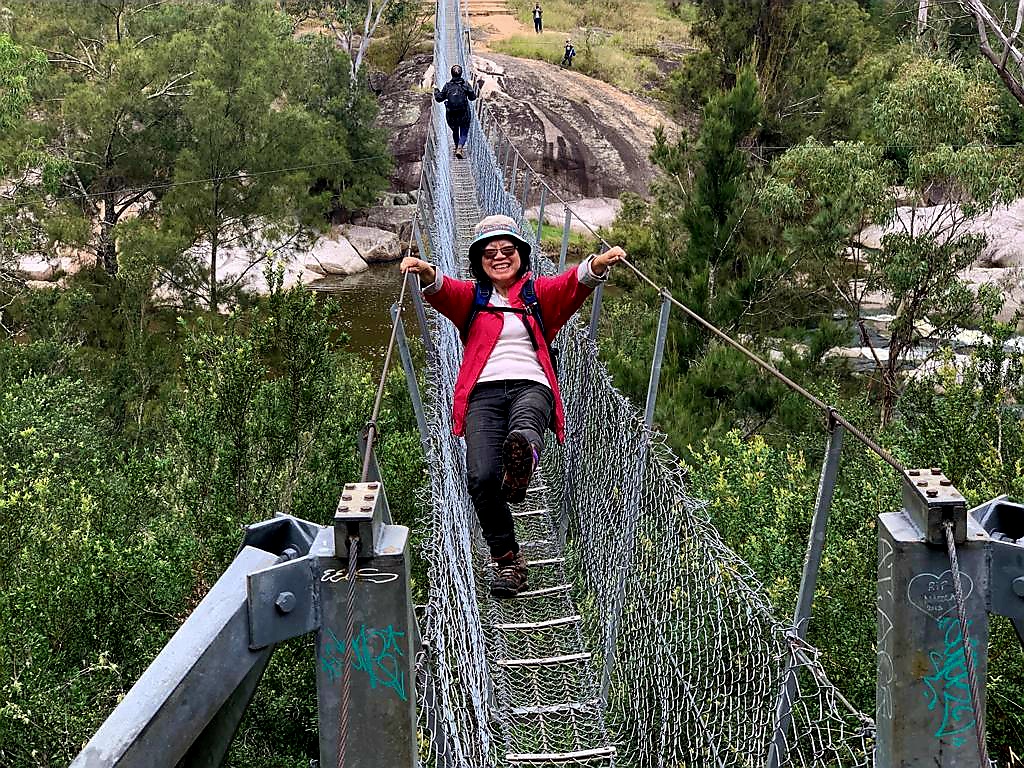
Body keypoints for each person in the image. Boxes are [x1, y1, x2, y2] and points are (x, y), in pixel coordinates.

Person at [401, 215, 626, 598]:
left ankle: (522, 463)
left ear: (521, 254)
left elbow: (572, 283)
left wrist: (599, 263)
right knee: (482, 477)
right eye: (489, 253)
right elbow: (443, 290)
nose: (500, 257)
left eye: (507, 250)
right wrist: (425, 271)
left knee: (524, 427)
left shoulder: (537, 295)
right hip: (483, 393)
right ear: (479, 261)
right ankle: (508, 559)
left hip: (531, 382)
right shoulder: (473, 299)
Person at [433, 64, 479, 159]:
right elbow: (473, 98)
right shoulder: (465, 85)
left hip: (451, 115)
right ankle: (460, 147)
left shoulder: (447, 86)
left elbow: (439, 98)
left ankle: (457, 146)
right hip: (464, 114)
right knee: (464, 131)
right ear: (461, 73)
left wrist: (436, 90)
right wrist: (471, 88)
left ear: (451, 74)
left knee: (455, 130)